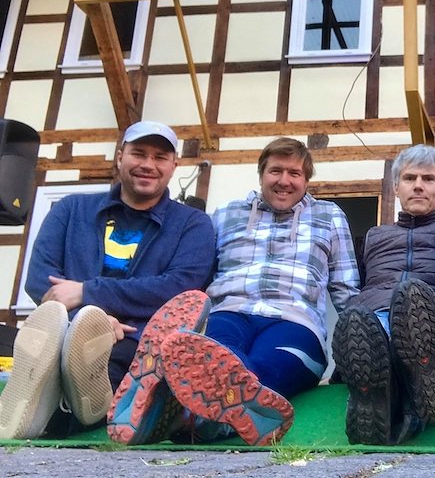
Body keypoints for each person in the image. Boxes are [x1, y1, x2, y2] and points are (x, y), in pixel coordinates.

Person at [110, 137, 360, 446]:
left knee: (263, 365)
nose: (284, 181)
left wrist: (355, 347)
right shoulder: (225, 214)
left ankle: (186, 409)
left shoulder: (329, 215)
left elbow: (345, 288)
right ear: (261, 174)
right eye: (275, 171)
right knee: (218, 353)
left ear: (306, 180)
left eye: (294, 173)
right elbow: (200, 272)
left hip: (297, 322)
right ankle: (212, 413)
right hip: (228, 312)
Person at [0, 121, 216, 440]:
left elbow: (180, 288)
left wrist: (88, 293)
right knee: (72, 346)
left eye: (160, 157)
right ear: (119, 157)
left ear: (174, 165)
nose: (148, 164)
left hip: (138, 338)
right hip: (67, 327)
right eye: (138, 153)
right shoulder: (71, 209)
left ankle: (47, 407)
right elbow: (40, 279)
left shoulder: (193, 224)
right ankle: (53, 402)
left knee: (113, 360)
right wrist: (91, 321)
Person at [332, 144, 435, 445]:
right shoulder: (374, 236)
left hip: (434, 321)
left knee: (422, 321)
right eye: (410, 178)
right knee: (366, 328)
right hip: (378, 320)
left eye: (428, 179)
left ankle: (384, 398)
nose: (418, 185)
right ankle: (406, 398)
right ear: (396, 187)